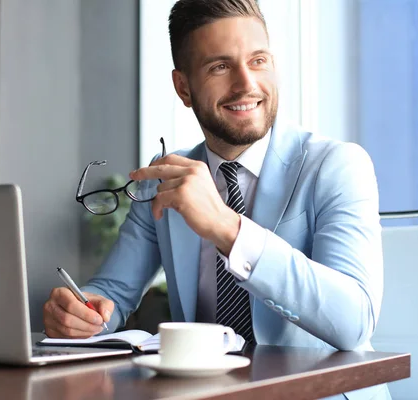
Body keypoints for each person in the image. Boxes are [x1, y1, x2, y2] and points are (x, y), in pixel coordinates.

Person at [43, 1, 389, 398]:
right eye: (220, 67)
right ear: (183, 88)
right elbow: (112, 294)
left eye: (258, 60)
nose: (247, 84)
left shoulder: (337, 165)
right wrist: (83, 314)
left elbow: (354, 324)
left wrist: (226, 227)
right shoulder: (167, 176)